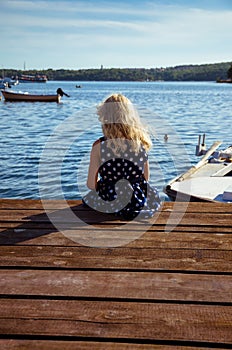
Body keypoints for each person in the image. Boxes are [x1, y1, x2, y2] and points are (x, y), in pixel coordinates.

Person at [82, 93, 161, 219]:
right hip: (136, 201)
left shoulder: (99, 146)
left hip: (109, 200)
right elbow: (145, 177)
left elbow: (91, 184)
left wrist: (107, 185)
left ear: (105, 118)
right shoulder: (140, 143)